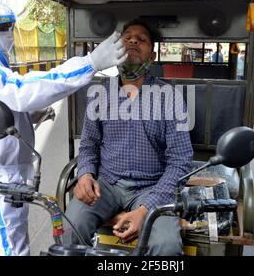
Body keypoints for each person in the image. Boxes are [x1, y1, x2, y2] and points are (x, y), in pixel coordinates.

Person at [0, 0, 127, 256]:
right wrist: (89, 63)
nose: (10, 33)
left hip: (6, 176)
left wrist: (27, 116)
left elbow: (2, 104)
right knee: (7, 251)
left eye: (11, 25)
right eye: (4, 26)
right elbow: (19, 91)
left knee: (15, 246)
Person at [63, 20, 193, 255]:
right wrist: (84, 174)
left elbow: (180, 161)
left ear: (152, 56)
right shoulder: (100, 95)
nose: (133, 40)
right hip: (107, 185)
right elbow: (89, 145)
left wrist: (145, 210)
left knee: (167, 246)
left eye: (141, 39)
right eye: (127, 37)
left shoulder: (170, 98)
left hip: (153, 187)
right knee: (71, 225)